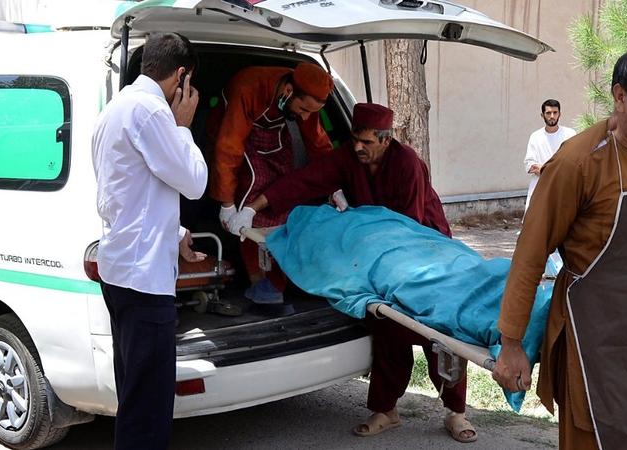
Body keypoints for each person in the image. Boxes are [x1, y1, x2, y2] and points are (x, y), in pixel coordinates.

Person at [493, 44, 627, 450]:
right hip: (598, 346)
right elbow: (530, 256)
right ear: (620, 97)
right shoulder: (577, 163)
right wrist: (510, 344)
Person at [237, 102, 476, 443]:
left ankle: (456, 413)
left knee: (437, 332)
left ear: (386, 140)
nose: (358, 147)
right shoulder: (349, 156)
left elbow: (407, 229)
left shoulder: (408, 164)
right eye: (354, 139)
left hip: (424, 250)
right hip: (376, 257)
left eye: (366, 142)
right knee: (387, 327)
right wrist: (251, 208)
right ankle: (387, 410)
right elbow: (305, 180)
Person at [91, 32, 208, 450]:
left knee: (135, 398)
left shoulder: (114, 109)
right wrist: (184, 128)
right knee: (149, 410)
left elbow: (125, 193)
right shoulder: (154, 114)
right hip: (144, 282)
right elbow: (194, 182)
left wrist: (173, 232)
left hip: (120, 273)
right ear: (181, 77)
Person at [208, 62, 335, 304]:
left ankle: (278, 281)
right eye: (303, 110)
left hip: (272, 136)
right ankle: (259, 280)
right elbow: (229, 148)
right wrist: (226, 204)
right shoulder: (248, 89)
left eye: (312, 112)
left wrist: (334, 183)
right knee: (252, 191)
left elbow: (318, 143)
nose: (306, 117)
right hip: (229, 135)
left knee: (283, 193)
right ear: (288, 90)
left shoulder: (303, 100)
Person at [523, 99, 576, 212]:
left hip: (564, 188)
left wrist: (547, 169)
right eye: (548, 113)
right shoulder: (536, 137)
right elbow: (530, 165)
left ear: (559, 114)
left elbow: (576, 161)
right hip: (540, 187)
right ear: (542, 115)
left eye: (555, 112)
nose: (552, 116)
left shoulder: (570, 134)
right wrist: (555, 171)